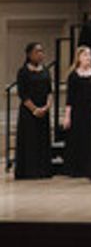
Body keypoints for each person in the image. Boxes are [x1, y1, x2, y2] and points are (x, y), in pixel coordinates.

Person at [14, 42, 52, 179]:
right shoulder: (23, 72)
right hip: (29, 112)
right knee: (30, 141)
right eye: (37, 51)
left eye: (42, 51)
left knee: (43, 140)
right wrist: (35, 109)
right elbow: (22, 94)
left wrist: (47, 107)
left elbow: (49, 91)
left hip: (44, 110)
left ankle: (43, 170)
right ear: (29, 54)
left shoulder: (46, 70)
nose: (40, 54)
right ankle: (30, 171)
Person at [62, 45, 91, 178]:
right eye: (85, 55)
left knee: (90, 139)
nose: (88, 57)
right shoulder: (73, 75)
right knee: (78, 138)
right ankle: (77, 168)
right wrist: (67, 116)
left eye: (89, 55)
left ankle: (90, 167)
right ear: (79, 58)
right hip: (78, 111)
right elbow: (70, 98)